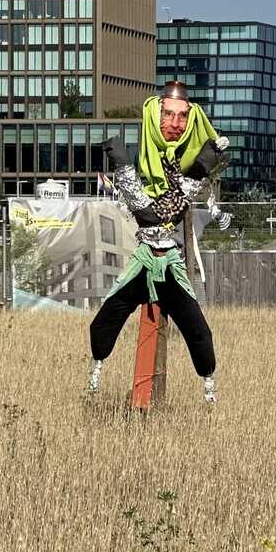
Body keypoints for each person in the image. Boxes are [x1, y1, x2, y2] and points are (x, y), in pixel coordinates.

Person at [88, 81, 230, 405]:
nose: (174, 125)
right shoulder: (149, 164)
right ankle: (98, 370)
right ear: (157, 115)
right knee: (109, 317)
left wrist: (206, 162)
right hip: (145, 256)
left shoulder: (186, 175)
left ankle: (208, 383)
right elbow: (146, 199)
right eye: (168, 115)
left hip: (171, 261)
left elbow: (186, 189)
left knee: (197, 330)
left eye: (182, 117)